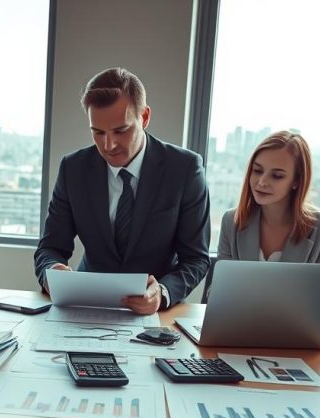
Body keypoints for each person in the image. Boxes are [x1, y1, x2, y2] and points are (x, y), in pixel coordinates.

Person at [33, 67, 211, 315]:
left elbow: (196, 259)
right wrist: (51, 271)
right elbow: (50, 247)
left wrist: (162, 292)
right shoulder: (73, 168)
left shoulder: (184, 169)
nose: (109, 145)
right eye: (98, 132)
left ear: (145, 117)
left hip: (153, 312)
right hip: (85, 306)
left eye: (121, 130)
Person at [203, 131, 320, 301]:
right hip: (238, 325)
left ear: (297, 181)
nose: (261, 182)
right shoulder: (232, 221)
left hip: (295, 327)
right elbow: (216, 294)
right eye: (257, 171)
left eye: (277, 176)